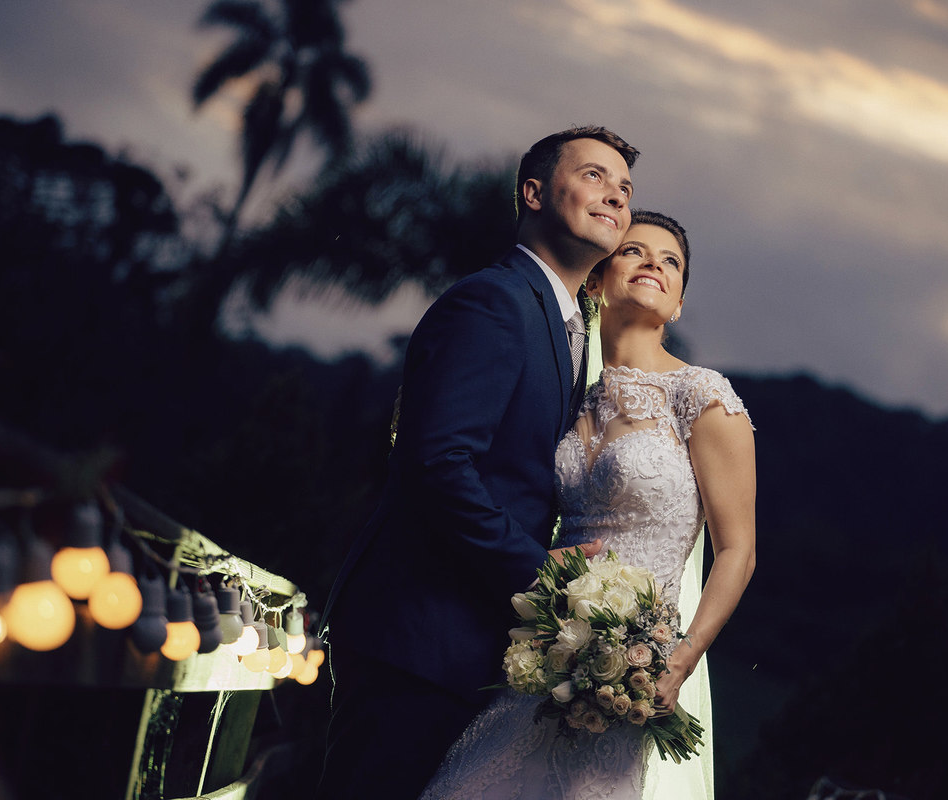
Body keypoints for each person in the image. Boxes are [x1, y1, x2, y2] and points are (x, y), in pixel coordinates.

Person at [315, 126, 641, 799]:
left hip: (464, 648)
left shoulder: (566, 325)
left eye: (625, 188)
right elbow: (438, 463)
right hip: (415, 639)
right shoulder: (494, 301)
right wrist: (539, 574)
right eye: (594, 176)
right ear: (533, 192)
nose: (615, 194)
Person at [418, 210, 757, 799]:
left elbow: (738, 550)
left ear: (677, 303)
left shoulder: (703, 397)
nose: (653, 263)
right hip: (549, 661)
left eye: (670, 261)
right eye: (634, 251)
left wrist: (677, 660)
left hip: (635, 670)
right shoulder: (569, 397)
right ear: (596, 280)